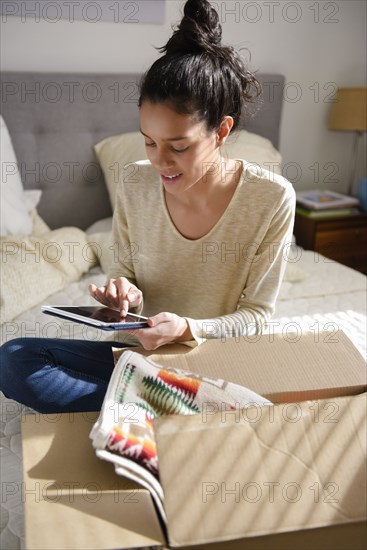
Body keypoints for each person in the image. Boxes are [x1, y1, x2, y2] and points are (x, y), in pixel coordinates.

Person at [0, 0, 295, 413]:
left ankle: (147, 405)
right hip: (139, 359)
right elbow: (125, 273)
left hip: (214, 360)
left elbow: (257, 315)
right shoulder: (135, 180)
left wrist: (189, 327)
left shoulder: (272, 198)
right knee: (14, 359)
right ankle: (169, 406)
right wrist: (124, 296)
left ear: (222, 131)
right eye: (149, 142)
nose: (160, 161)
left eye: (178, 146)